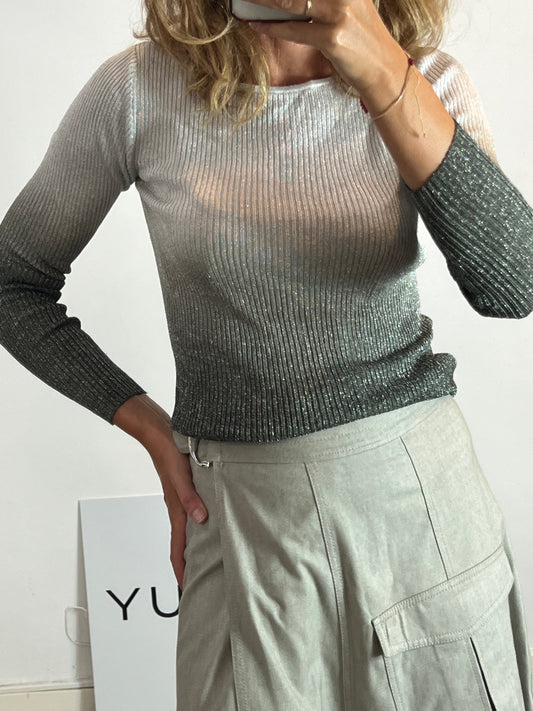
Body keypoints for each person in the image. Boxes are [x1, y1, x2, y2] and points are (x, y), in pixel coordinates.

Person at [0, 0, 532, 706]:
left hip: (415, 517)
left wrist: (381, 70)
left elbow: (513, 284)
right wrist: (153, 430)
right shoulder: (138, 91)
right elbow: (13, 284)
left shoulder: (425, 78)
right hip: (237, 515)